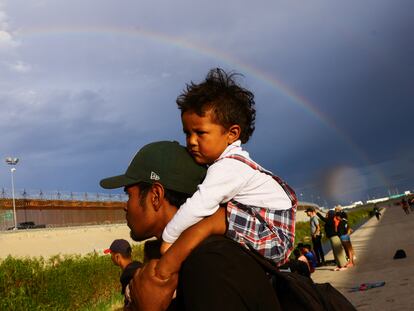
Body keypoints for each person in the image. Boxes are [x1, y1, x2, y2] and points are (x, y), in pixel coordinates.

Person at [100, 141, 281, 310]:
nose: (125, 206)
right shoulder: (193, 255)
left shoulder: (209, 264)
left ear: (155, 195)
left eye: (129, 195)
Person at [158, 68, 297, 279]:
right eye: (187, 133)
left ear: (232, 134)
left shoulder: (228, 167)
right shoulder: (236, 163)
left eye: (200, 133)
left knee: (213, 216)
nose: (191, 141)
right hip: (268, 230)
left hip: (273, 237)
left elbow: (200, 204)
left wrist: (168, 237)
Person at [104, 239, 142, 309]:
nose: (111, 258)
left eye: (111, 254)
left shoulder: (127, 276)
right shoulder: (140, 266)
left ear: (117, 257)